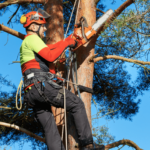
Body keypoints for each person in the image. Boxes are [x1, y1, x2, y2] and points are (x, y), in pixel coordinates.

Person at [19, 8, 104, 150]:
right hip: (40, 86)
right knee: (76, 104)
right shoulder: (32, 38)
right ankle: (87, 145)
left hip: (31, 92)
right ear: (33, 26)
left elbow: (51, 48)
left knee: (50, 127)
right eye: (42, 25)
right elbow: (51, 55)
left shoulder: (29, 44)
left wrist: (68, 40)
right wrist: (67, 43)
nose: (45, 28)